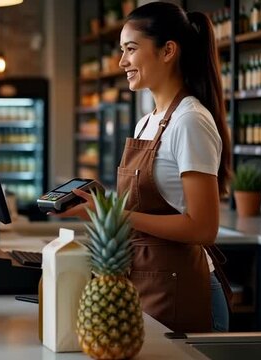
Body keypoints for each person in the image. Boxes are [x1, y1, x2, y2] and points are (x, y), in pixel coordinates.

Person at [60, 2, 231, 333]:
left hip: (185, 292)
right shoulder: (145, 124)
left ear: (168, 50)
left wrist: (116, 216)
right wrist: (100, 205)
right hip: (148, 284)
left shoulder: (190, 121)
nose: (122, 61)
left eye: (131, 49)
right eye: (121, 50)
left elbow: (203, 228)